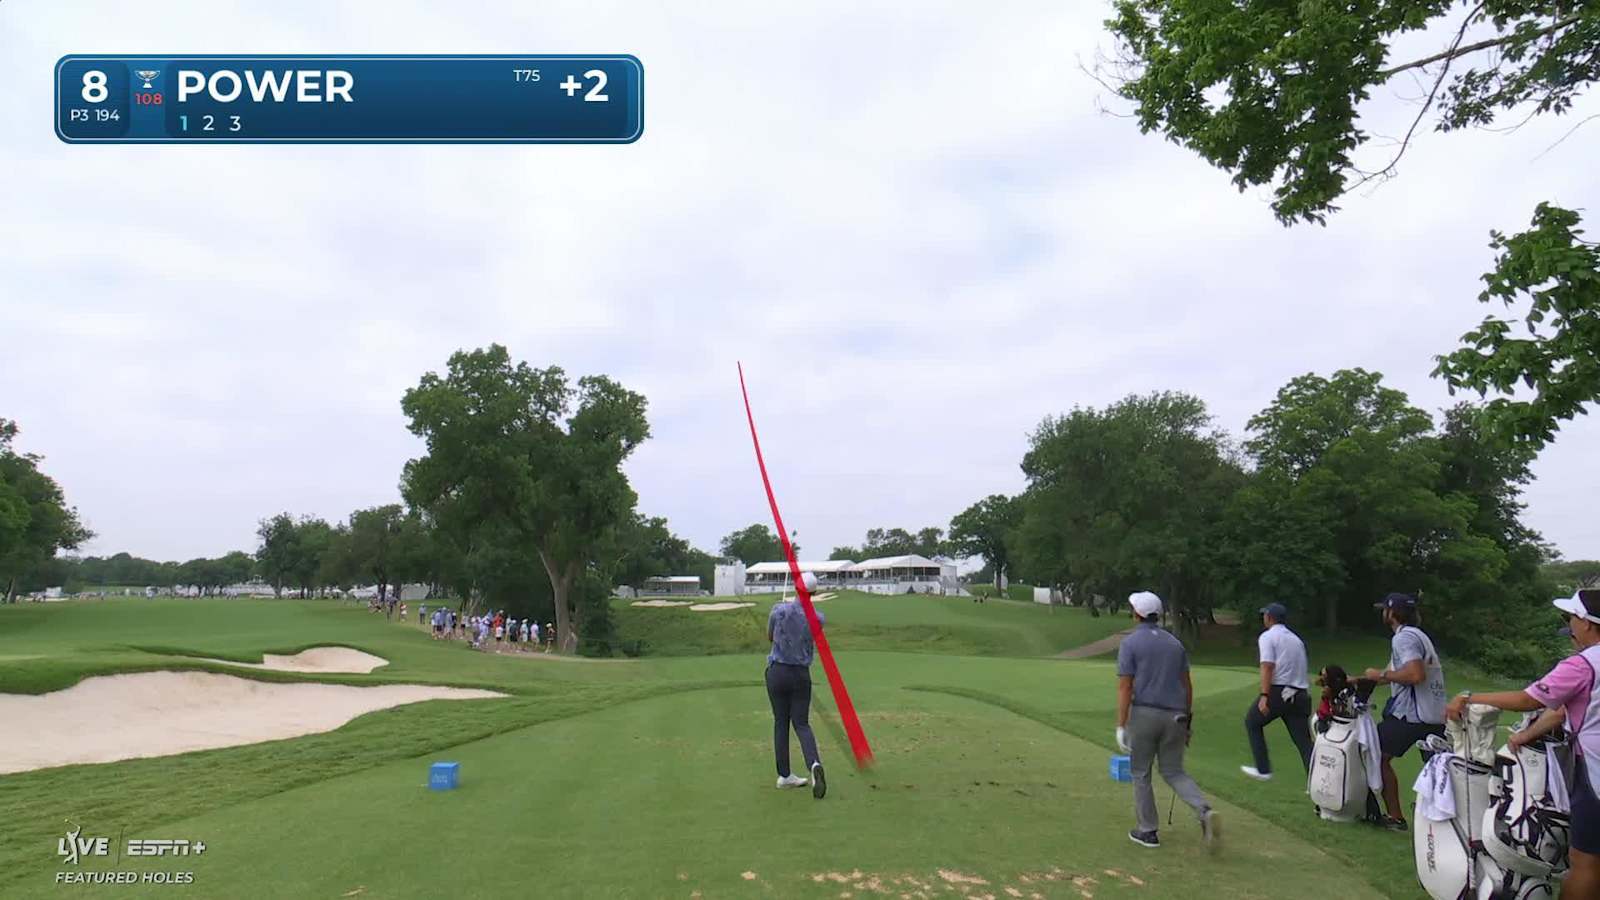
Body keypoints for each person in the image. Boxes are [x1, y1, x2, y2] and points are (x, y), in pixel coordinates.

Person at [1443, 588, 1600, 900]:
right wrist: (1526, 736)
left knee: (1585, 863)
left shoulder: (1583, 664)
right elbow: (1559, 711)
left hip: (1594, 774)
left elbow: (1528, 699)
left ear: (1587, 622)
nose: (1569, 624)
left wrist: (1469, 697)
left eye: (1571, 617)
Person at [1115, 590, 1219, 851]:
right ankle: (1203, 810)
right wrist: (1188, 722)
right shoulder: (1175, 643)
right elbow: (1187, 685)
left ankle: (1147, 831)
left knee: (1141, 772)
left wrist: (1121, 724)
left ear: (1137, 614)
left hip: (1145, 714)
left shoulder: (1130, 643)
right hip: (1176, 715)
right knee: (1173, 771)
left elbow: (1125, 687)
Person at [1363, 592, 1448, 832]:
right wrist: (1357, 680)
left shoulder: (1403, 639)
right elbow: (1392, 673)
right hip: (1433, 714)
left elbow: (1414, 675)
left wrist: (1381, 675)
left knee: (1374, 754)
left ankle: (1395, 817)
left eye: (1385, 609)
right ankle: (1440, 826)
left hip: (1410, 715)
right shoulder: (1419, 635)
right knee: (1439, 772)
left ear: (1392, 613)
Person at [765, 572, 827, 799]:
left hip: (777, 672)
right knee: (801, 723)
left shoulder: (778, 611)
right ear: (814, 593)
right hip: (801, 675)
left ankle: (785, 775)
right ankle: (814, 764)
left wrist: (781, 612)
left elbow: (770, 637)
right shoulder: (818, 618)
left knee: (781, 722)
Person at [1240, 602, 1314, 780]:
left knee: (1252, 722)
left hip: (1279, 691)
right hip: (1300, 693)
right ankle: (1318, 781)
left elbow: (1267, 666)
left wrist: (1264, 695)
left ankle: (1263, 769)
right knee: (1304, 743)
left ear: (1269, 618)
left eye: (1265, 615)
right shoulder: (1296, 640)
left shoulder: (1267, 637)